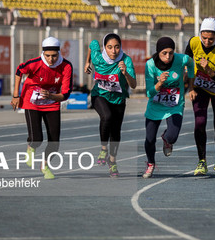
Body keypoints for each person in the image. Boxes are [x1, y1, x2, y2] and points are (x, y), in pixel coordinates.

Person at [11, 37, 73, 179]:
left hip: (51, 103)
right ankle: (31, 146)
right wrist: (16, 95)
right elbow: (19, 70)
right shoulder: (35, 64)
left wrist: (51, 96)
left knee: (55, 142)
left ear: (59, 53)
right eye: (47, 56)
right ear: (43, 54)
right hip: (31, 102)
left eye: (54, 56)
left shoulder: (66, 66)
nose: (51, 59)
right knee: (37, 138)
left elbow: (66, 93)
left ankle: (45, 165)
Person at [184, 18, 215, 177]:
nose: (206, 41)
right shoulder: (193, 42)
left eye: (210, 38)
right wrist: (189, 87)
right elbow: (186, 63)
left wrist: (208, 70)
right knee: (200, 121)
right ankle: (202, 161)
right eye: (203, 37)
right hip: (200, 87)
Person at [85, 33, 137, 178]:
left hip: (118, 99)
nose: (113, 51)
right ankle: (103, 149)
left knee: (116, 131)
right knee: (106, 116)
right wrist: (87, 62)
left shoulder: (126, 60)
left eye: (116, 47)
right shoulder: (98, 58)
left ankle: (112, 162)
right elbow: (93, 44)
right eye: (109, 47)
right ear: (104, 48)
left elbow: (133, 85)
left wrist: (125, 72)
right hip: (99, 95)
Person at [143, 37, 195, 178]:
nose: (168, 57)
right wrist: (159, 84)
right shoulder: (150, 65)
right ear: (158, 52)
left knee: (172, 136)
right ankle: (150, 163)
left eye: (171, 53)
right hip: (155, 105)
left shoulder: (181, 59)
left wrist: (191, 86)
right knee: (149, 139)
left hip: (175, 105)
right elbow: (149, 92)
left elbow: (191, 64)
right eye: (164, 53)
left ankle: (166, 140)